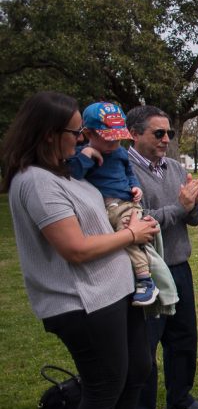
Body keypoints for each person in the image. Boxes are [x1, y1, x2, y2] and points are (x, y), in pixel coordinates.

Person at [3, 91, 164, 409]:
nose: (81, 140)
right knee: (104, 383)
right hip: (80, 302)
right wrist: (131, 234)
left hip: (114, 292)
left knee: (137, 369)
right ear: (48, 134)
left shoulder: (67, 174)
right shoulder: (35, 182)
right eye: (76, 133)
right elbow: (74, 248)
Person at [126, 105, 198, 409]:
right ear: (134, 134)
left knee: (183, 337)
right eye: (158, 133)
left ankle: (180, 396)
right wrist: (180, 207)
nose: (166, 139)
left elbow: (196, 217)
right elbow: (137, 220)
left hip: (179, 264)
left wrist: (193, 204)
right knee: (145, 345)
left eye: (169, 134)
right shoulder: (126, 172)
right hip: (147, 270)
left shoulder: (176, 168)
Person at [68, 102, 158, 306]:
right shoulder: (81, 153)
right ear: (89, 133)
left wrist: (136, 187)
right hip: (101, 208)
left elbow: (129, 173)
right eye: (109, 140)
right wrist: (87, 155)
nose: (114, 144)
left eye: (118, 138)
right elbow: (73, 174)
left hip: (125, 204)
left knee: (129, 235)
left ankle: (145, 279)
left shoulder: (119, 153)